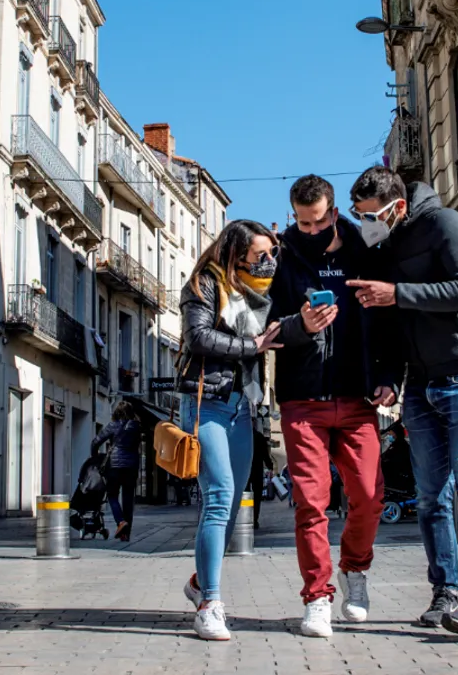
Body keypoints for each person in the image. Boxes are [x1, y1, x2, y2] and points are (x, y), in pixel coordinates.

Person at [347, 166, 458, 640]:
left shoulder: (445, 224)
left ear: (396, 207)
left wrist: (399, 293)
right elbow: (394, 325)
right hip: (420, 385)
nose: (365, 224)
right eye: (359, 216)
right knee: (432, 496)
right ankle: (445, 595)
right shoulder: (384, 248)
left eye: (370, 215)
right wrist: (389, 378)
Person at [269, 175, 398, 639]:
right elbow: (266, 328)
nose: (309, 229)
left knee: (368, 495)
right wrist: (300, 325)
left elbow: (386, 317)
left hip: (357, 394)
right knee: (311, 502)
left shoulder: (363, 248)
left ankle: (354, 570)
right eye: (302, 222)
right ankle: (318, 597)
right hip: (302, 398)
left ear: (334, 210)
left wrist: (388, 377)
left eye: (318, 220)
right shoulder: (280, 254)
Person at [178, 220, 283, 641]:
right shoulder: (204, 285)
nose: (267, 261)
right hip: (207, 403)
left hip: (243, 407)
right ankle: (210, 605)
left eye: (270, 254)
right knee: (219, 495)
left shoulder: (257, 297)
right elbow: (197, 337)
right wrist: (252, 346)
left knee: (233, 503)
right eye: (260, 254)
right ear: (236, 253)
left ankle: (200, 582)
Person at [91, 401, 142, 541]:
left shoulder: (113, 425)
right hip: (131, 465)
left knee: (112, 495)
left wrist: (95, 457)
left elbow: (96, 441)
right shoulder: (137, 427)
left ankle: (120, 521)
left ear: (116, 412)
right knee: (128, 499)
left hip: (114, 465)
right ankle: (126, 534)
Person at [248, 411, 274, 529]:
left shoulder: (241, 437)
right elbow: (265, 454)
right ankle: (254, 519)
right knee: (257, 497)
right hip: (256, 470)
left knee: (246, 495)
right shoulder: (259, 436)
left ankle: (247, 517)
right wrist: (270, 466)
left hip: (245, 471)